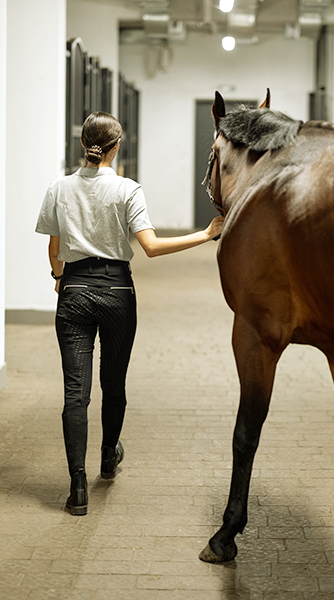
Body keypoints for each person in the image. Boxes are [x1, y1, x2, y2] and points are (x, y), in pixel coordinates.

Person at [35, 111, 223, 516]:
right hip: (117, 292)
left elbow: (54, 249)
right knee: (113, 381)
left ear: (83, 143)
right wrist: (206, 234)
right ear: (117, 146)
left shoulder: (58, 188)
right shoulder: (127, 189)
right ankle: (108, 455)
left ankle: (77, 486)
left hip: (74, 292)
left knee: (75, 392)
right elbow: (151, 247)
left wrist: (60, 278)